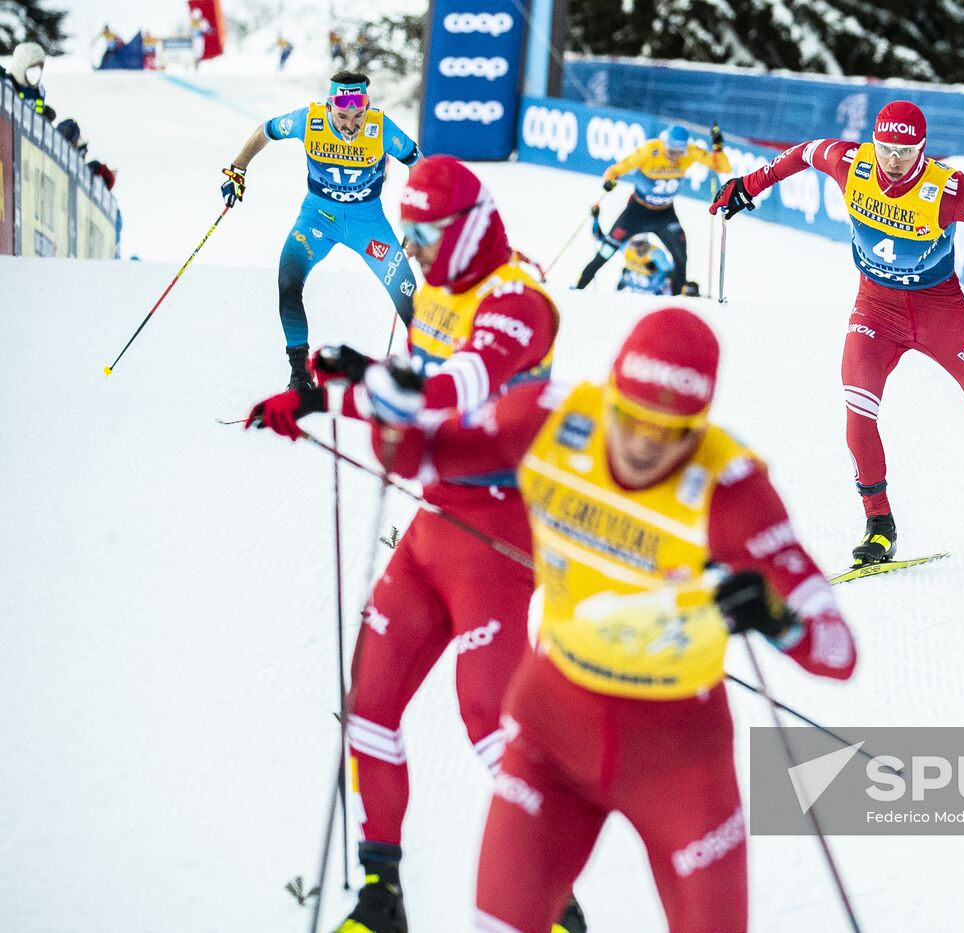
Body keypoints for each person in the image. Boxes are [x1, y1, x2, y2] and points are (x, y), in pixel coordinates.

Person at [266, 307, 856, 931]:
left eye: (672, 431)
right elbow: (419, 456)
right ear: (609, 396)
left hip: (679, 753)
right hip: (554, 731)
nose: (645, 444)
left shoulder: (732, 489)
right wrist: (383, 394)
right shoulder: (550, 417)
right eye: (630, 419)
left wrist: (778, 618)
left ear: (700, 428)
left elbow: (837, 651)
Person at [243, 157, 581, 933]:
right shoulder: (437, 294)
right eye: (411, 233)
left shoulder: (516, 299)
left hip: (496, 533)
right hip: (435, 523)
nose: (415, 249)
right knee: (371, 704)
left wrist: (350, 385)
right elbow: (407, 376)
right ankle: (381, 896)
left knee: (489, 721)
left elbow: (449, 393)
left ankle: (559, 902)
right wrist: (315, 394)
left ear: (466, 229)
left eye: (428, 235)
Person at [711, 100, 964, 564]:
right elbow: (804, 152)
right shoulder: (851, 163)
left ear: (922, 148)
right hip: (876, 309)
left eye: (905, 151)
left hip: (940, 311)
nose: (893, 160)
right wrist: (749, 185)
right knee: (858, 405)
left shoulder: (949, 188)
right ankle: (879, 522)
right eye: (885, 148)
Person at [222, 71, 421, 390]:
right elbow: (265, 131)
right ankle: (300, 373)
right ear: (330, 107)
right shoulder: (308, 120)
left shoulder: (380, 127)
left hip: (367, 225)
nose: (351, 124)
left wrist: (416, 219)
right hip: (317, 219)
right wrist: (238, 167)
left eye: (359, 114)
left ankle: (427, 372)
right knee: (288, 283)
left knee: (408, 297)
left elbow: (418, 163)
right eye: (342, 115)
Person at [575, 124, 729, 296]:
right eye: (672, 151)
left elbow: (722, 167)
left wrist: (718, 148)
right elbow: (615, 170)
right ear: (664, 144)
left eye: (680, 152)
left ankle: (676, 300)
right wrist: (610, 181)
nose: (675, 156)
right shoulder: (649, 151)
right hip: (637, 212)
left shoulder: (691, 152)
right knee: (605, 252)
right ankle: (578, 288)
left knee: (681, 258)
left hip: (665, 213)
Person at [7, 42, 56, 123]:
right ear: (21, 67)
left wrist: (44, 112)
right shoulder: (6, 85)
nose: (35, 75)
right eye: (31, 69)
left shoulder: (38, 92)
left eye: (38, 70)